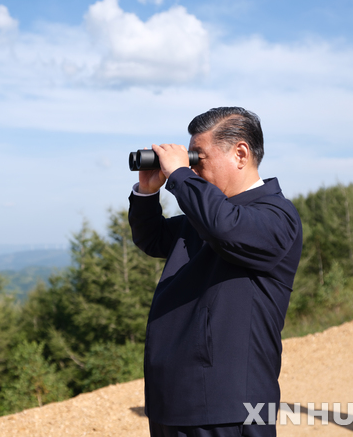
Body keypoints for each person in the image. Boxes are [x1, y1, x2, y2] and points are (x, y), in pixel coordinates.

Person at [128, 107, 303, 437]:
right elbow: (152, 238)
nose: (192, 167)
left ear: (240, 153)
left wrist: (181, 176)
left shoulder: (277, 216)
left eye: (199, 157)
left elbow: (225, 227)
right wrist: (147, 192)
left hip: (229, 406)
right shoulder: (207, 218)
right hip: (173, 402)